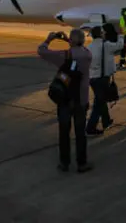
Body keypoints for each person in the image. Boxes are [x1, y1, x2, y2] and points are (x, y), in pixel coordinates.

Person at [37, 29, 94, 173]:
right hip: (81, 99)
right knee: (80, 133)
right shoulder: (87, 55)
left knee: (64, 132)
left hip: (65, 99)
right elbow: (79, 47)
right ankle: (82, 163)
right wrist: (70, 40)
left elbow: (42, 51)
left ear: (71, 41)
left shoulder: (64, 56)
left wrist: (49, 39)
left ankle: (64, 163)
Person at [86, 26, 123, 136]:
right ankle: (90, 128)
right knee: (98, 103)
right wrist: (121, 34)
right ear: (101, 34)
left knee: (101, 100)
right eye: (103, 32)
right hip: (102, 79)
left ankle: (106, 121)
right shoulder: (106, 45)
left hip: (92, 78)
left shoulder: (89, 47)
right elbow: (119, 45)